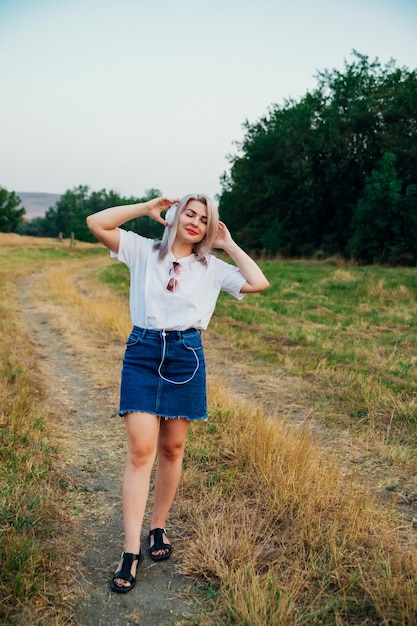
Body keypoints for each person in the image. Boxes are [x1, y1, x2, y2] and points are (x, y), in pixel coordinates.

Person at [86, 194, 269, 593]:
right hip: (143, 352)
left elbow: (258, 282)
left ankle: (158, 527)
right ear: (173, 215)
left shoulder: (212, 268)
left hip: (186, 358)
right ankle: (130, 552)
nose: (196, 222)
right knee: (141, 449)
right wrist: (145, 208)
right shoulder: (141, 250)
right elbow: (97, 222)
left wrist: (228, 243)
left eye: (204, 220)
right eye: (189, 212)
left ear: (208, 229)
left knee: (173, 448)